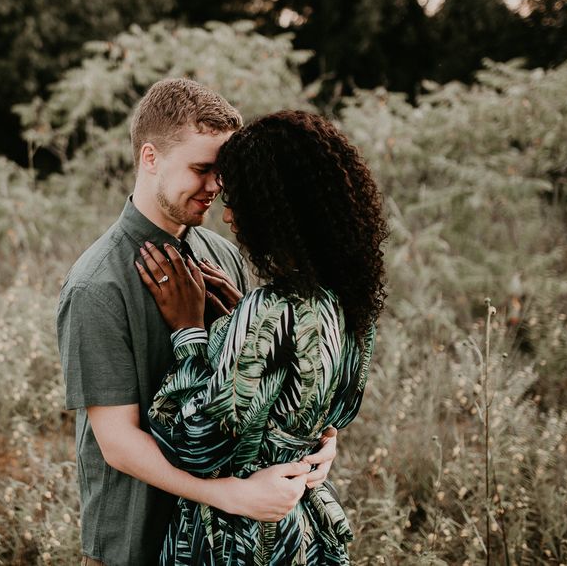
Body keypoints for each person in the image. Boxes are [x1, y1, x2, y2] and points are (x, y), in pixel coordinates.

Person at [57, 80, 340, 565]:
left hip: (222, 545)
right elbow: (118, 444)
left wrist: (319, 443)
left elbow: (253, 391)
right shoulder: (96, 285)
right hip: (136, 541)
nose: (216, 186)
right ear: (150, 158)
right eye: (201, 169)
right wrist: (228, 493)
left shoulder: (224, 255)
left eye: (221, 171)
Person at [136, 110, 387, 565]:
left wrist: (190, 332)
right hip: (301, 532)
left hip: (241, 536)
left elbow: (193, 444)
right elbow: (335, 414)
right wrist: (237, 328)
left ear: (277, 207)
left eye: (238, 199)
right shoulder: (348, 302)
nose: (228, 215)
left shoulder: (270, 310)